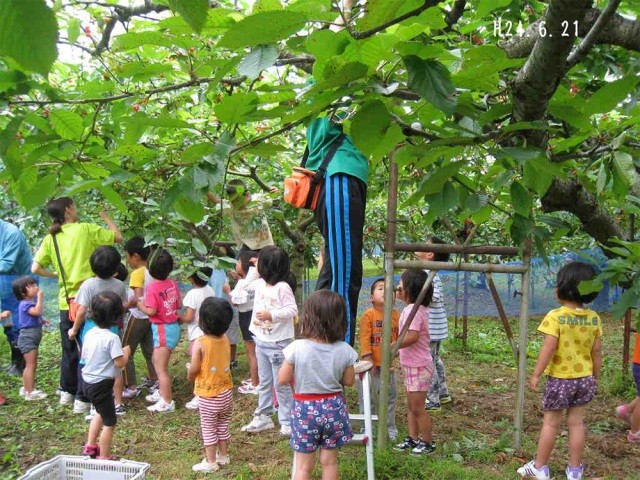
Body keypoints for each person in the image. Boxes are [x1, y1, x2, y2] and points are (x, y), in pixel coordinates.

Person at [31, 197, 122, 406]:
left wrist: (56, 275)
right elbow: (117, 238)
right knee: (89, 349)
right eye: (75, 205)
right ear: (68, 210)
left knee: (69, 347)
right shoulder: (86, 229)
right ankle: (83, 397)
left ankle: (67, 390)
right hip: (90, 300)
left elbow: (35, 268)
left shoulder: (50, 238)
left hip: (66, 300)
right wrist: (107, 219)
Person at [517, 262, 602, 480]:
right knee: (576, 423)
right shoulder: (594, 318)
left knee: (551, 423)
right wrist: (596, 377)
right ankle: (574, 470)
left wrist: (536, 373)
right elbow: (597, 352)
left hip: (560, 380)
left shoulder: (555, 316)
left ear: (562, 288)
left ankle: (540, 466)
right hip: (584, 379)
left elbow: (549, 348)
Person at [278, 290, 358, 480]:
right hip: (333, 408)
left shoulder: (296, 348)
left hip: (305, 409)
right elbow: (348, 381)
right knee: (330, 462)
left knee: (303, 467)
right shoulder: (345, 350)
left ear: (308, 318)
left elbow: (282, 378)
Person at [304, 115, 368, 346]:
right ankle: (338, 347)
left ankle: (320, 342)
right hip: (339, 173)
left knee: (339, 264)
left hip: (344, 174)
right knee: (345, 269)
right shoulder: (335, 89)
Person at [241, 245, 297, 435]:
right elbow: (245, 285)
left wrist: (271, 315)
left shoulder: (283, 288)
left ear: (267, 268)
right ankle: (263, 415)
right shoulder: (259, 284)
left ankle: (287, 420)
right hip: (261, 340)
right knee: (264, 382)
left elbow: (292, 310)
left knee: (280, 383)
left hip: (278, 344)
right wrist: (252, 269)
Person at [68, 246, 128, 416]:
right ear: (117, 268)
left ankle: (86, 401)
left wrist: (73, 329)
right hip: (112, 328)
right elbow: (122, 307)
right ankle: (117, 403)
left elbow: (81, 311)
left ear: (92, 266)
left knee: (87, 364)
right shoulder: (119, 285)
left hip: (90, 327)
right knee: (114, 365)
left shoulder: (88, 285)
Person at [80, 290, 131, 460]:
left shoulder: (89, 333)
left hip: (86, 381)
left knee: (99, 413)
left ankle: (90, 446)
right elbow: (119, 363)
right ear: (117, 316)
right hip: (101, 385)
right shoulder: (112, 338)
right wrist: (126, 352)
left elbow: (86, 356)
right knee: (110, 423)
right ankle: (104, 456)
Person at [188, 297, 234, 473]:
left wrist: (189, 374)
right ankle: (223, 456)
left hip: (209, 395)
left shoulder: (200, 343)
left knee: (208, 428)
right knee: (222, 424)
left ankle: (211, 461)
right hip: (226, 391)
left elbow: (194, 368)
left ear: (202, 320)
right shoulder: (225, 339)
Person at [393, 269, 436, 455]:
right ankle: (412, 438)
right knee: (411, 406)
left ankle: (427, 442)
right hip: (411, 365)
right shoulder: (410, 309)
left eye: (401, 284)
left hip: (419, 366)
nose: (397, 287)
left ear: (410, 288)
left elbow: (413, 336)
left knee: (418, 407)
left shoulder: (415, 310)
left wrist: (393, 346)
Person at [137, 248, 182, 413]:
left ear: (149, 268)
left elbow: (151, 311)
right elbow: (178, 305)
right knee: (161, 364)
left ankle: (167, 401)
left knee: (160, 367)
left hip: (162, 330)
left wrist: (139, 304)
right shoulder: (172, 284)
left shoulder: (152, 288)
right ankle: (163, 392)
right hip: (173, 327)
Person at [358, 278, 400, 440]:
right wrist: (368, 360)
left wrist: (396, 353)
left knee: (389, 397)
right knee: (369, 398)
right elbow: (364, 338)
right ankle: (367, 425)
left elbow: (398, 339)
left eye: (390, 289)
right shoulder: (368, 315)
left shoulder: (397, 315)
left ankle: (389, 427)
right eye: (381, 288)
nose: (386, 291)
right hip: (371, 367)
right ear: (371, 298)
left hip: (388, 367)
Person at [416, 236, 452, 412]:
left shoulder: (428, 273)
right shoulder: (429, 271)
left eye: (424, 243)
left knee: (428, 362)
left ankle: (433, 399)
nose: (419, 244)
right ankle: (443, 393)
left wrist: (416, 296)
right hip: (436, 327)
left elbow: (434, 296)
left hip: (431, 329)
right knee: (435, 359)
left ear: (429, 254)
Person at [121, 236, 157, 398]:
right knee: (149, 350)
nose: (127, 260)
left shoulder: (137, 273)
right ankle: (155, 380)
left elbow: (136, 299)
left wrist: (123, 307)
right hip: (150, 316)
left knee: (125, 349)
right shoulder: (152, 270)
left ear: (135, 256)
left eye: (127, 256)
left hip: (137, 316)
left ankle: (130, 386)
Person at [0, 219, 33, 376]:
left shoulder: (11, 233)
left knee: (18, 323)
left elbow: (6, 264)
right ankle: (15, 360)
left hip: (19, 285)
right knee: (7, 322)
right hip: (4, 285)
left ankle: (22, 362)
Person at [181, 266, 215, 410]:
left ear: (191, 277)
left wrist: (178, 317)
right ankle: (210, 389)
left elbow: (189, 317)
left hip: (197, 335)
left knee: (198, 366)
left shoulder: (192, 294)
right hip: (210, 332)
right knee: (207, 363)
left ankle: (200, 395)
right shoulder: (210, 290)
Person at [207, 179, 275, 252]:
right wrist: (202, 185)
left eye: (238, 200)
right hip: (246, 247)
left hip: (265, 246)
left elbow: (275, 196)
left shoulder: (258, 200)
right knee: (238, 263)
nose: (235, 203)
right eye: (232, 201)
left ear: (247, 195)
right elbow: (215, 200)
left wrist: (274, 190)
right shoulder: (230, 207)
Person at [12, 276, 50, 400]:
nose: (36, 287)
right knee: (31, 365)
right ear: (23, 292)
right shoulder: (25, 304)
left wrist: (42, 321)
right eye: (32, 286)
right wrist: (40, 298)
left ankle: (26, 388)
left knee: (30, 364)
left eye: (35, 284)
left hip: (31, 337)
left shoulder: (29, 303)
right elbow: (37, 311)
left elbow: (34, 317)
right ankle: (30, 392)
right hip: (27, 338)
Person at [230, 249, 260, 395]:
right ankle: (258, 379)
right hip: (257, 317)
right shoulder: (258, 280)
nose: (236, 265)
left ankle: (255, 384)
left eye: (238, 263)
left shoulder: (242, 284)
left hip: (246, 319)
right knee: (258, 351)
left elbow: (235, 301)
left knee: (252, 353)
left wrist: (227, 290)